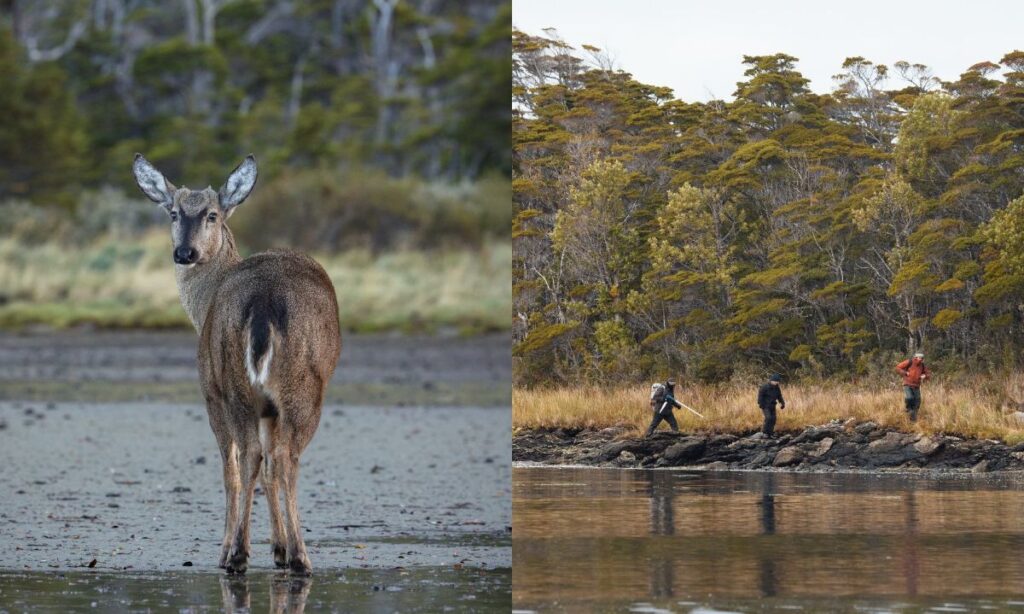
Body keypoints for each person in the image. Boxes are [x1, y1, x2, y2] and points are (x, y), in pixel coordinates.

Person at [896, 352, 930, 421]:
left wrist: (925, 376)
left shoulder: (922, 365)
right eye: (920, 358)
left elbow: (928, 374)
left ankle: (913, 417)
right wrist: (905, 373)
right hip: (907, 384)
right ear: (916, 358)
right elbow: (898, 367)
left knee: (917, 401)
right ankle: (908, 410)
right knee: (909, 398)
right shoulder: (909, 362)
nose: (921, 359)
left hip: (916, 386)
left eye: (922, 358)